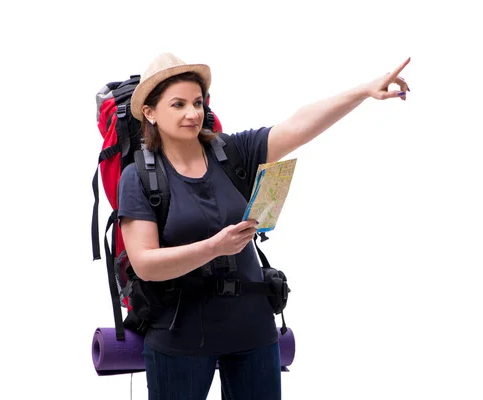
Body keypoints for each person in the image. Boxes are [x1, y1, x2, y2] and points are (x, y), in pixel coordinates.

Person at [117, 52, 411, 400]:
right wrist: (215, 247)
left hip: (253, 330)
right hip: (179, 337)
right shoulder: (139, 177)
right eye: (178, 104)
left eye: (197, 102)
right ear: (150, 113)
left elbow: (298, 126)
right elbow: (146, 265)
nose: (192, 113)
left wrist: (362, 91)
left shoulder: (232, 152)